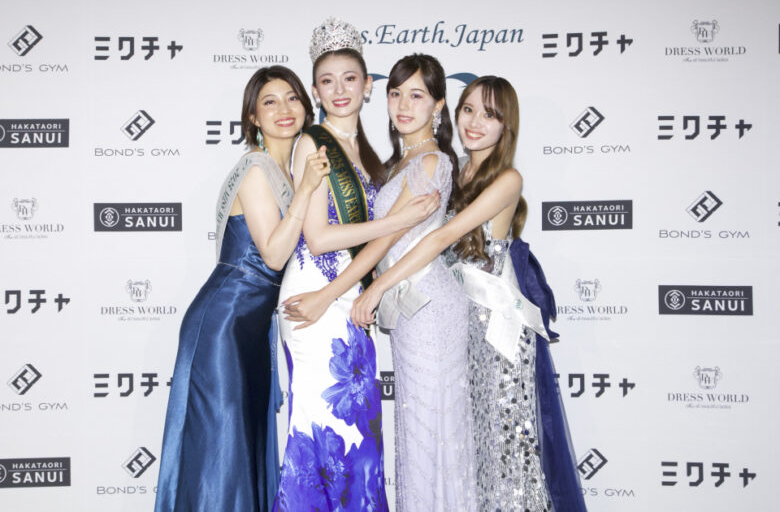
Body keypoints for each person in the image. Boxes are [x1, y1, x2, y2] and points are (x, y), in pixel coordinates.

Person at [351, 76, 588, 512]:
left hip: (496, 331)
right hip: (456, 324)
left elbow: (441, 238)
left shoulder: (509, 179)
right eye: (469, 110)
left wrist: (376, 288)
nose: (476, 122)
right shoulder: (452, 169)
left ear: (506, 126)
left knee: (507, 452)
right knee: (469, 452)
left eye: (490, 114)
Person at [284, 53, 476, 511]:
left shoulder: (424, 161)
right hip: (369, 300)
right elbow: (350, 235)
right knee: (385, 433)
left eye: (417, 95)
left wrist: (357, 290)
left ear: (439, 105)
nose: (404, 105)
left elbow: (395, 239)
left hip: (418, 305)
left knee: (420, 433)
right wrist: (345, 290)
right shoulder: (380, 158)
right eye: (397, 94)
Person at [154, 65, 331, 512]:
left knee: (245, 448)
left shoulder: (286, 171)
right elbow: (274, 255)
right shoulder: (256, 170)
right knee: (221, 455)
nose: (284, 109)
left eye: (292, 97)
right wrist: (307, 191)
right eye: (269, 102)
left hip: (252, 329)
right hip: (224, 325)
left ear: (305, 105)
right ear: (253, 116)